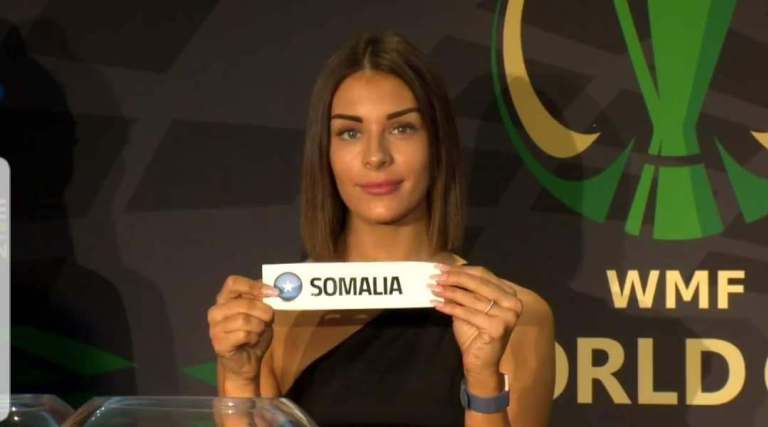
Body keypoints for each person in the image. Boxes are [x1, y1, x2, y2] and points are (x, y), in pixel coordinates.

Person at [207, 32, 555, 427]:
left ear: (437, 143)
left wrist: (483, 381)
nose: (375, 156)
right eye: (350, 132)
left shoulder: (509, 315)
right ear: (325, 151)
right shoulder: (272, 319)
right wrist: (239, 379)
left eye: (402, 128)